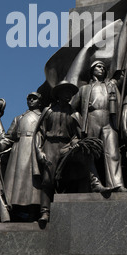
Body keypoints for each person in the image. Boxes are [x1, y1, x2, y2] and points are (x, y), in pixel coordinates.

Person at [71, 60, 127, 192]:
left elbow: (123, 76)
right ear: (92, 70)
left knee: (113, 152)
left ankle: (116, 184)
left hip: (109, 120)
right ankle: (95, 183)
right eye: (98, 66)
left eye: (103, 67)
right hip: (92, 119)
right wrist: (79, 122)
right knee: (90, 152)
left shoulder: (111, 86)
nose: (101, 69)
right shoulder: (84, 89)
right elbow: (72, 108)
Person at [0, 92, 43, 222]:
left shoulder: (43, 117)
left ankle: (33, 212)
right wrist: (0, 145)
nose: (30, 100)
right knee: (14, 185)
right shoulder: (18, 118)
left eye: (34, 98)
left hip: (33, 149)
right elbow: (8, 137)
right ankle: (14, 212)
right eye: (29, 98)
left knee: (32, 185)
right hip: (17, 152)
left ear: (40, 101)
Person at [35, 81, 81, 226]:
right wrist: (39, 150)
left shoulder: (73, 112)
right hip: (50, 145)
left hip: (66, 146)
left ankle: (63, 211)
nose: (68, 95)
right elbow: (40, 133)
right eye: (65, 92)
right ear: (59, 94)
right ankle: (45, 211)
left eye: (70, 92)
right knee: (47, 180)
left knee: (65, 179)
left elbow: (77, 133)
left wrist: (74, 142)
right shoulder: (48, 111)